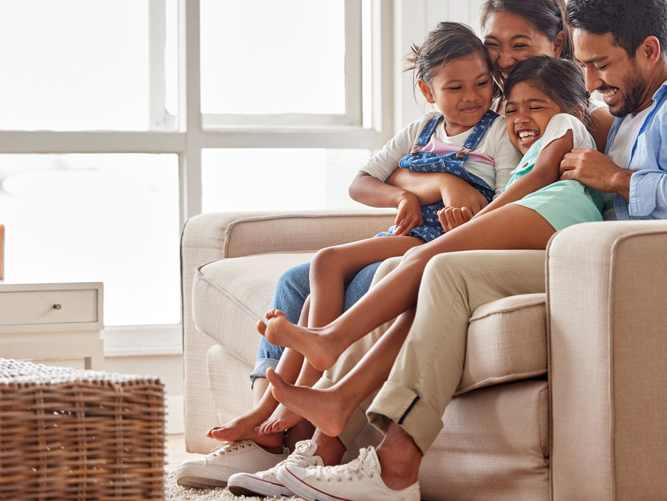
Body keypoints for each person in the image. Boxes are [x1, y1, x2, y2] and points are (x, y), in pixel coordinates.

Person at [243, 0, 667, 501]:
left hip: (634, 268)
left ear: (650, 50)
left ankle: (386, 463)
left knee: (442, 267)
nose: (590, 80)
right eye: (582, 66)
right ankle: (334, 429)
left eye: (600, 66)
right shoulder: (627, 108)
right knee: (428, 269)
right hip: (584, 254)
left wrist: (615, 178)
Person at [175, 0, 610, 488]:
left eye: (520, 46)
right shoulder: (486, 104)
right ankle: (266, 430)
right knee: (303, 278)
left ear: (557, 44)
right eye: (495, 46)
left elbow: (531, 178)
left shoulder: (540, 112)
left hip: (474, 236)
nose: (502, 63)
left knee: (393, 274)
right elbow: (392, 171)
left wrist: (460, 197)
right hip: (444, 226)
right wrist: (433, 184)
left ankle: (295, 424)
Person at [203, 22, 521, 441]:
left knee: (326, 264)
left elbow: (503, 202)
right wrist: (401, 198)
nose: (472, 96)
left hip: (431, 242)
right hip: (401, 233)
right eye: (455, 88)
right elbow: (361, 182)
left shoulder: (497, 132)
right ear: (428, 91)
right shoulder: (421, 130)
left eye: (481, 83)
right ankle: (267, 408)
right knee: (310, 275)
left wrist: (466, 220)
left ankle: (303, 394)